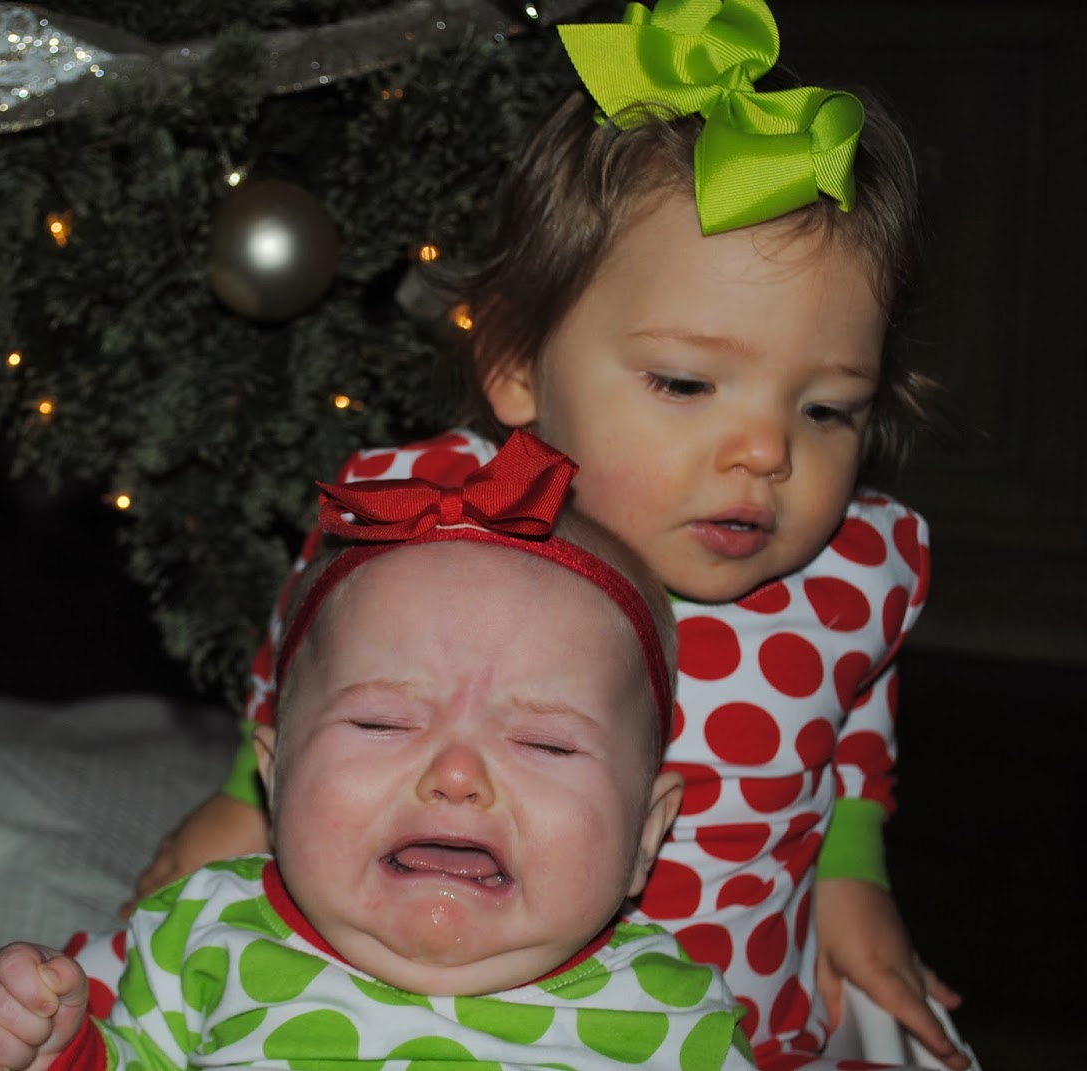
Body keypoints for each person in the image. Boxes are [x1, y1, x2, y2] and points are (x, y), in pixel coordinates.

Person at [120, 3, 970, 1069]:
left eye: (828, 407)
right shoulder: (436, 514)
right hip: (399, 1007)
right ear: (519, 366)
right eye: (685, 383)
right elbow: (313, 661)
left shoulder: (859, 566)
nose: (766, 451)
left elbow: (855, 734)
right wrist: (243, 802)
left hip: (725, 1017)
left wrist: (852, 878)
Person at [0, 433, 765, 1071]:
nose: (456, 775)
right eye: (382, 723)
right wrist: (51, 1047)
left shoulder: (675, 1018)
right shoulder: (199, 936)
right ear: (274, 777)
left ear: (647, 833)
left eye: (545, 742)